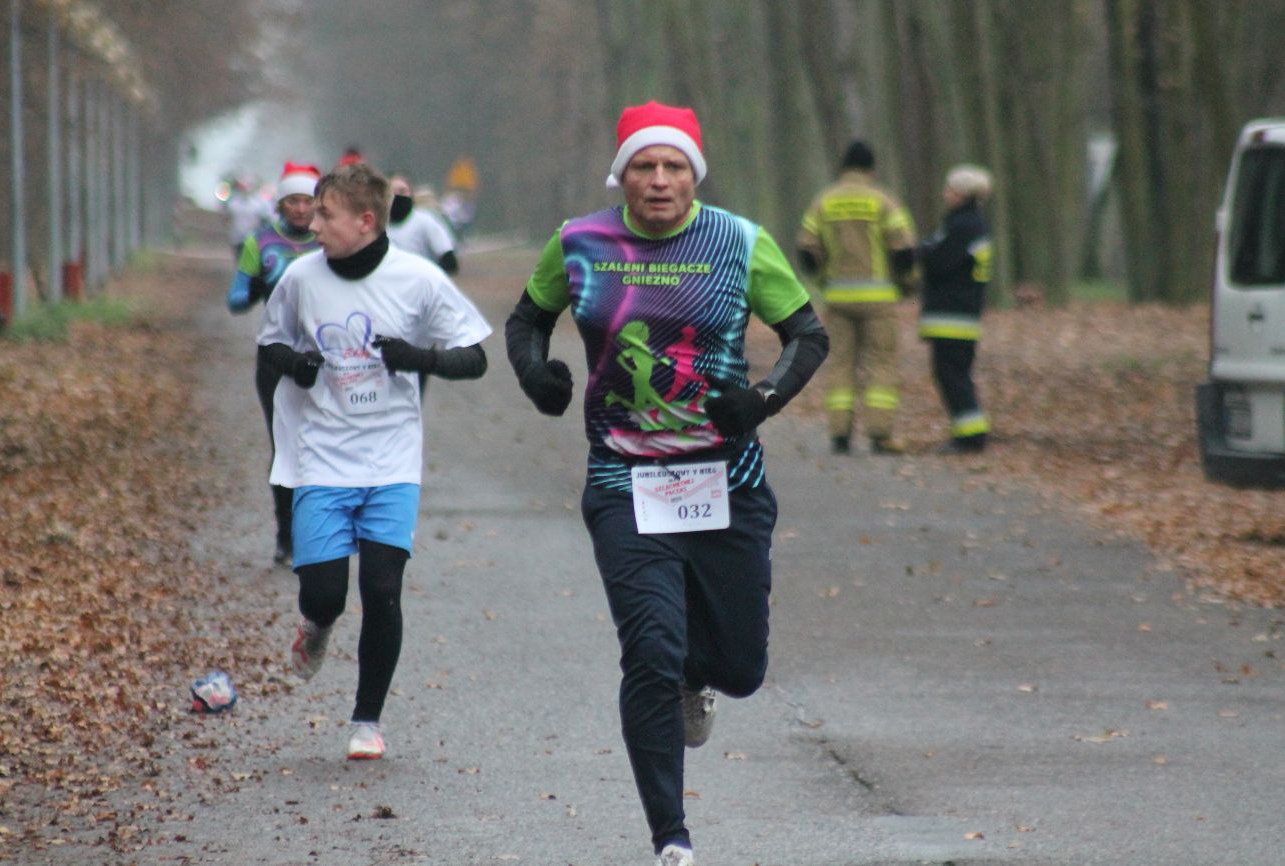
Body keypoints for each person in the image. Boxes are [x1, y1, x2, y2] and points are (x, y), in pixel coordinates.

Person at [505, 101, 828, 866]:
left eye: (674, 166)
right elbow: (526, 321)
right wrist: (535, 374)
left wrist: (761, 399)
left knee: (741, 669)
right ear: (622, 175)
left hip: (727, 480)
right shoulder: (580, 243)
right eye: (644, 165)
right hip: (624, 479)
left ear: (694, 176)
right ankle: (671, 838)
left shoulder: (739, 242)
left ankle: (696, 675)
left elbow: (807, 335)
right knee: (650, 651)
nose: (659, 180)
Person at [256, 162, 492, 760]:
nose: (313, 224)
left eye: (325, 214)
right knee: (325, 595)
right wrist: (295, 364)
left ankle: (367, 721)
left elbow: (475, 357)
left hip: (391, 461)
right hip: (322, 460)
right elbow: (270, 341)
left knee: (384, 588)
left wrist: (419, 358)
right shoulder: (300, 278)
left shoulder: (418, 278)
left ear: (365, 220)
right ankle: (316, 625)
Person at [228, 162, 323, 566]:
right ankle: (286, 532)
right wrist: (252, 288)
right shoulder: (261, 241)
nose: (300, 209)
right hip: (276, 356)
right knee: (284, 447)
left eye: (307, 201)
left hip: (325, 356)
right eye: (293, 201)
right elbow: (236, 298)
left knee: (324, 446)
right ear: (280, 204)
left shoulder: (329, 237)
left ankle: (318, 530)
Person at [796, 140, 916, 455]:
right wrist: (907, 283)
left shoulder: (824, 202)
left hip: (838, 298)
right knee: (882, 363)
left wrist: (822, 279)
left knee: (840, 363)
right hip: (879, 299)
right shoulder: (883, 201)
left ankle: (840, 433)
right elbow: (904, 250)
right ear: (871, 169)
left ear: (843, 167)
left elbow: (807, 250)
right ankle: (879, 433)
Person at [919, 164, 995, 453]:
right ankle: (969, 431)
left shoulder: (962, 226)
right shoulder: (971, 224)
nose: (944, 194)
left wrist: (922, 252)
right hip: (963, 312)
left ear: (962, 193)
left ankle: (971, 436)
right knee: (955, 374)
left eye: (949, 189)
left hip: (953, 313)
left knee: (952, 374)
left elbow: (939, 262)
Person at [388, 174, 459, 274]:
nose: (397, 196)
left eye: (402, 191)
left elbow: (449, 261)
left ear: (411, 194)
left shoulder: (425, 221)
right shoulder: (376, 227)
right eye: (392, 192)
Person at [222, 176, 272, 260]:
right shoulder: (233, 202)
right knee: (240, 258)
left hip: (254, 238)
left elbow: (266, 219)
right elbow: (226, 216)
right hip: (237, 237)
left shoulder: (260, 203)